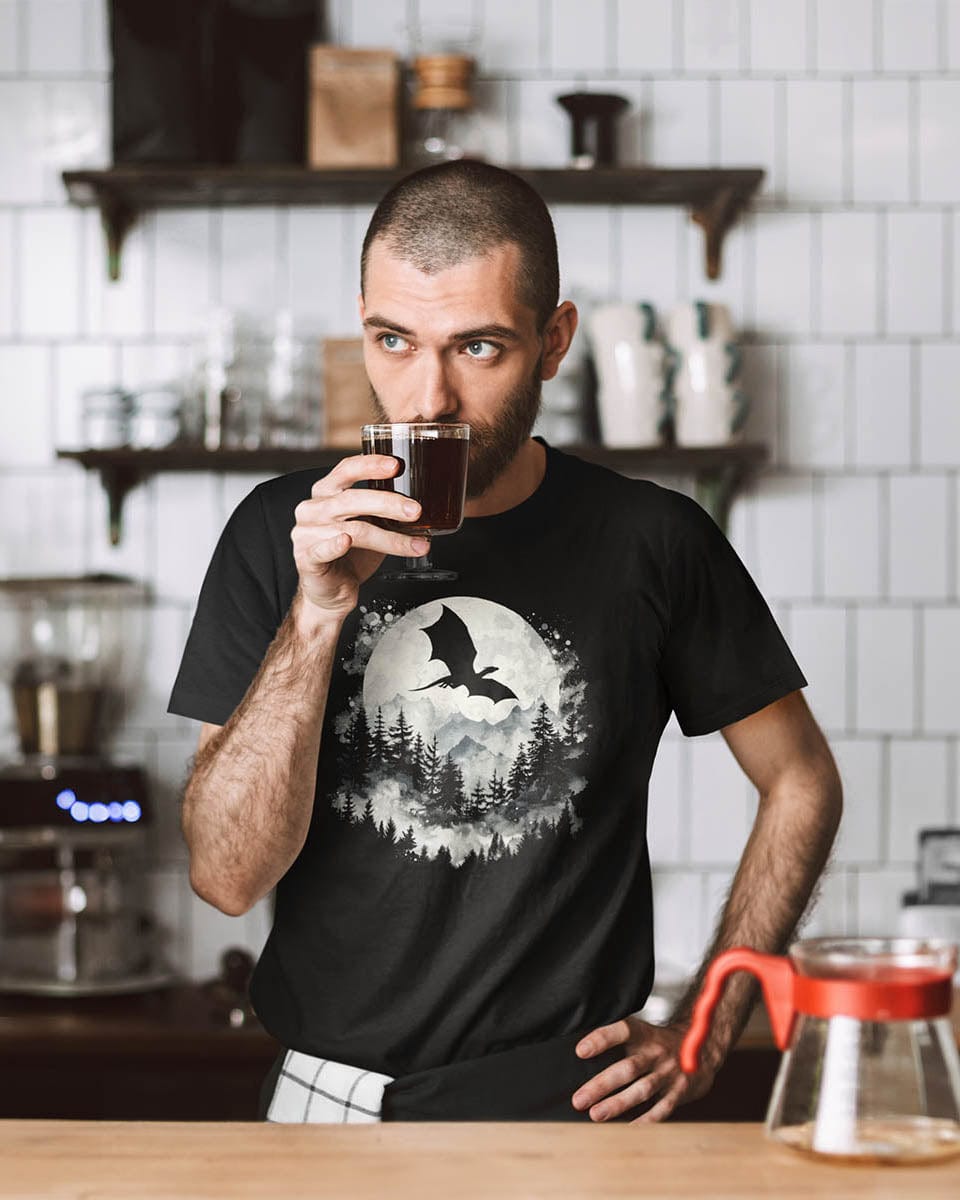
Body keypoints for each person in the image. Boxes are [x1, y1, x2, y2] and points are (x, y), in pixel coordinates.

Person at [168, 160, 842, 1125]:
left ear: (553, 341)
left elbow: (802, 780)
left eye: (477, 347)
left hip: (570, 1110)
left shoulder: (653, 541)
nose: (426, 398)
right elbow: (225, 878)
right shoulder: (280, 532)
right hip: (329, 1102)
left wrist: (708, 1025)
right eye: (393, 341)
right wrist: (318, 615)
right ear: (362, 319)